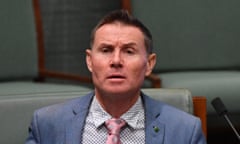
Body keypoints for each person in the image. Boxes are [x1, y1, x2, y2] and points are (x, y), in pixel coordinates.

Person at [25, 10, 206, 144]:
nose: (116, 61)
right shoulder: (48, 125)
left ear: (149, 64)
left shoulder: (185, 131)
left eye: (129, 51)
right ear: (89, 61)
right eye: (106, 50)